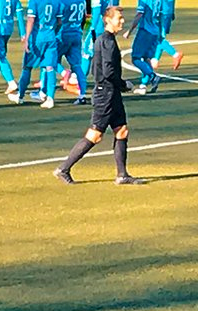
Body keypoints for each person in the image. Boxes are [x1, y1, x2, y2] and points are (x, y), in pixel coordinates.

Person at [54, 6, 146, 185]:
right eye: (119, 18)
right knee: (94, 135)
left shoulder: (107, 39)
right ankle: (64, 169)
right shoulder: (107, 42)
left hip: (112, 94)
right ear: (108, 20)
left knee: (122, 131)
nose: (122, 21)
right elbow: (108, 72)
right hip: (106, 95)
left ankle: (122, 175)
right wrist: (124, 84)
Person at [10, 0, 63, 108]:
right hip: (51, 37)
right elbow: (59, 22)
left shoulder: (35, 1)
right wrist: (53, 32)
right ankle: (50, 98)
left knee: (27, 67)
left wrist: (26, 38)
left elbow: (31, 20)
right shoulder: (57, 1)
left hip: (37, 39)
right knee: (50, 67)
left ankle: (20, 96)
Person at [123, 0, 163, 94]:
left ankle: (153, 76)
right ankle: (147, 84)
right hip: (155, 31)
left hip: (145, 31)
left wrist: (129, 31)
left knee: (135, 58)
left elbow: (139, 14)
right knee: (146, 58)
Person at [59, 0, 90, 104]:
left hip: (63, 34)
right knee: (77, 66)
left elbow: (58, 18)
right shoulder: (82, 1)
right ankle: (82, 95)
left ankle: (63, 72)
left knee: (50, 60)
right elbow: (84, 18)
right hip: (76, 33)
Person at [152, 0, 182, 71]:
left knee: (158, 37)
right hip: (168, 10)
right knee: (159, 37)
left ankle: (175, 54)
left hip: (160, 10)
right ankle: (155, 60)